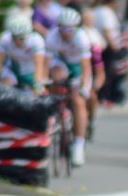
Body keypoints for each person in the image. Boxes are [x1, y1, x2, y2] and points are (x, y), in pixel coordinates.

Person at [45, 7, 93, 167]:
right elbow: (46, 65)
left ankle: (79, 145)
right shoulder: (52, 37)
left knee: (78, 101)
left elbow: (86, 68)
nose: (66, 32)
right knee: (56, 79)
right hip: (60, 64)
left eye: (70, 29)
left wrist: (84, 87)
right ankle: (58, 113)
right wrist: (45, 85)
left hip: (77, 68)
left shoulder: (82, 38)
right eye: (62, 28)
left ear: (76, 28)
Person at [0, 16, 46, 95]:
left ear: (28, 34)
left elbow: (39, 66)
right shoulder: (4, 39)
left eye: (21, 38)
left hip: (30, 71)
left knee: (40, 93)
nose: (17, 41)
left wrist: (38, 86)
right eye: (14, 37)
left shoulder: (36, 40)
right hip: (12, 69)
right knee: (3, 87)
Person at [82, 7, 106, 141]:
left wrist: (96, 85)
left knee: (91, 96)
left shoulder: (95, 48)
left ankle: (91, 120)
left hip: (90, 71)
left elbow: (100, 71)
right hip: (77, 70)